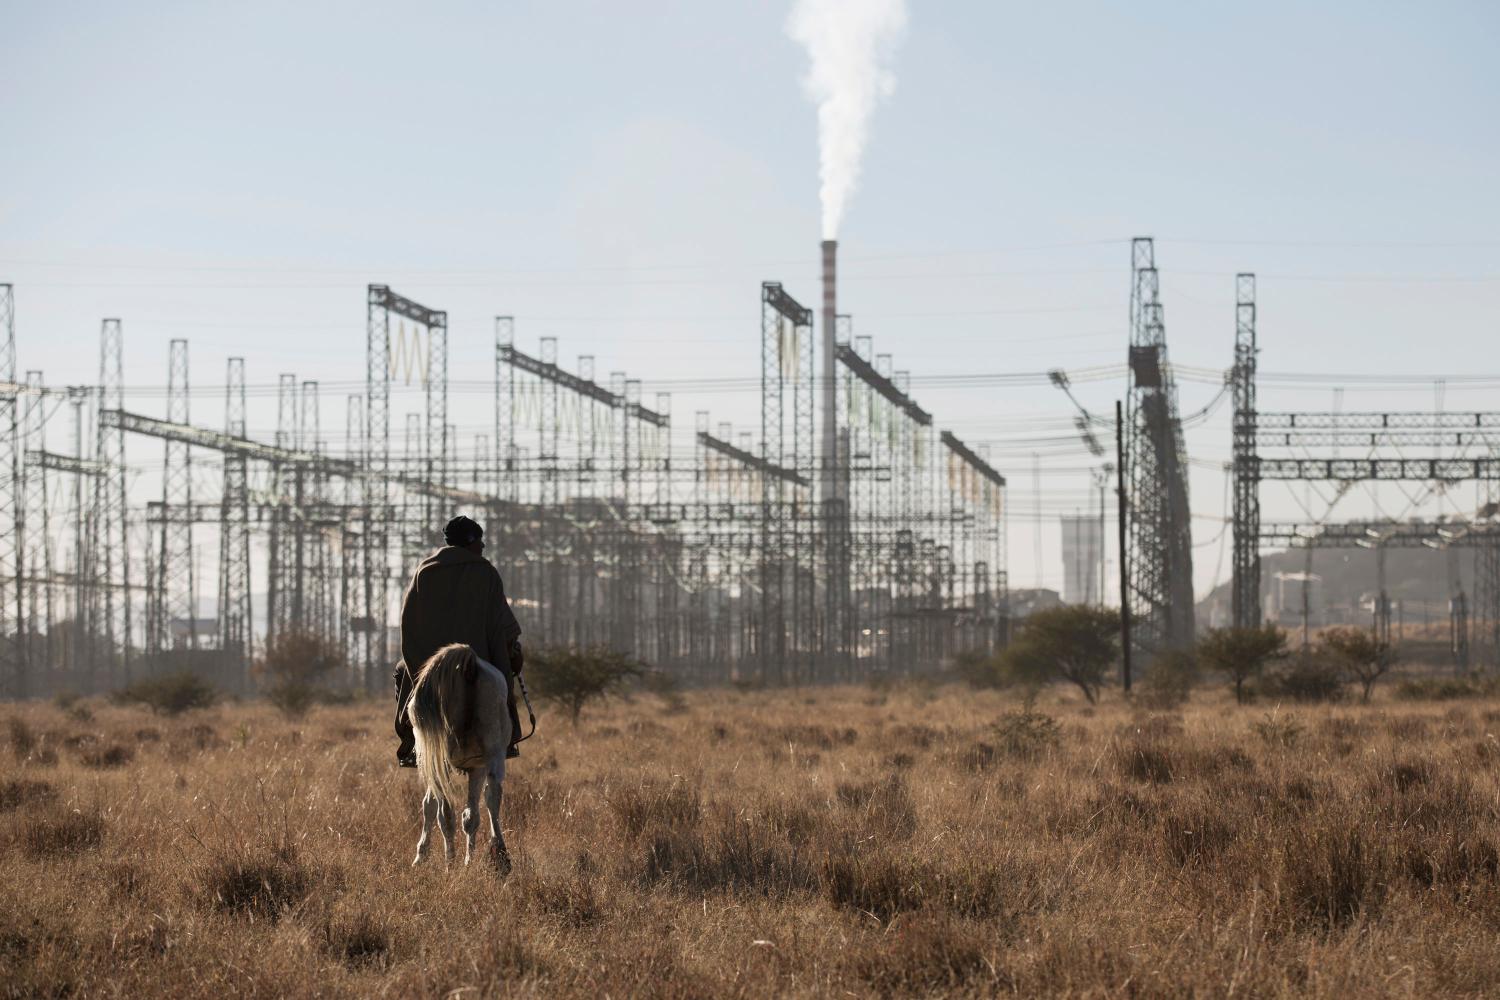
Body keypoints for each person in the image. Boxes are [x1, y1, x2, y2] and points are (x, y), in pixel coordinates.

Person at [395, 514, 525, 768]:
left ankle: (410, 741)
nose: (483, 547)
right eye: (480, 541)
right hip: (479, 659)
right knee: (501, 683)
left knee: (402, 674)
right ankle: (506, 741)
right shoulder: (485, 571)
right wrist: (513, 650)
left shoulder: (424, 571)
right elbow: (502, 623)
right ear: (471, 541)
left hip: (431, 666)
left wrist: (421, 668)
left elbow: (409, 624)